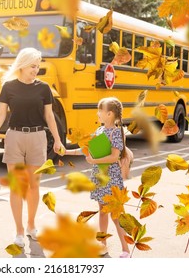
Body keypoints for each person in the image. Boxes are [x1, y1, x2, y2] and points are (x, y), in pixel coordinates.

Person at [0, 48, 64, 248]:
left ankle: (31, 226)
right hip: (14, 137)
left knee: (34, 186)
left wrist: (58, 140)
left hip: (37, 137)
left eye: (38, 66)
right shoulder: (8, 87)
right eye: (33, 66)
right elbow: (0, 116)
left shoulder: (44, 88)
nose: (36, 70)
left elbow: (50, 116)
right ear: (22, 65)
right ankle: (18, 231)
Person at [61, 97, 130, 258]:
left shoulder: (116, 133)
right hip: (100, 178)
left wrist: (94, 161)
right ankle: (102, 244)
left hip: (111, 179)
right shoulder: (99, 131)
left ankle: (126, 249)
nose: (97, 113)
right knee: (103, 212)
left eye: (100, 110)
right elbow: (87, 150)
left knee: (115, 215)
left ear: (109, 114)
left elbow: (114, 157)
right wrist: (67, 152)